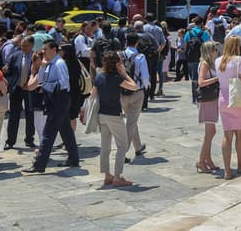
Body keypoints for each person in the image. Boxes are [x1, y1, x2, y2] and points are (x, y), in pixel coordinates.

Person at [23, 41, 81, 173]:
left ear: (54, 50)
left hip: (59, 99)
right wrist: (42, 67)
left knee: (48, 133)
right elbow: (42, 79)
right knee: (66, 130)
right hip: (54, 99)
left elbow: (63, 84)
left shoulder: (59, 64)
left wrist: (46, 87)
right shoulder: (49, 64)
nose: (43, 51)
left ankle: (39, 164)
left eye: (45, 49)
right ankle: (73, 158)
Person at [92, 51, 139, 187]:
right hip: (114, 115)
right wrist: (124, 73)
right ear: (117, 64)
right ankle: (117, 176)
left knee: (105, 146)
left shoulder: (99, 77)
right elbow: (134, 86)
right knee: (122, 145)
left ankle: (107, 175)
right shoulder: (117, 78)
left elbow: (92, 94)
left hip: (102, 115)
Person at [215, 36, 241, 180]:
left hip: (223, 100)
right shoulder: (239, 60)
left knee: (227, 135)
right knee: (240, 134)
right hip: (237, 100)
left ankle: (227, 170)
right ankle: (240, 164)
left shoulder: (218, 61)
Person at [121, 33, 150, 161]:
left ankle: (137, 147)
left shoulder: (120, 55)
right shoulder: (140, 56)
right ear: (137, 42)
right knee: (131, 121)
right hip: (136, 92)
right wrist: (146, 87)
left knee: (132, 119)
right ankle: (122, 152)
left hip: (122, 91)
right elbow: (145, 76)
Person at [4, 35, 36, 150]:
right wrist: (6, 69)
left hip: (30, 89)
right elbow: (9, 71)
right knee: (13, 115)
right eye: (22, 46)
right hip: (16, 89)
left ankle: (29, 139)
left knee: (30, 114)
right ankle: (10, 141)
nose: (23, 48)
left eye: (26, 46)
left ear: (32, 45)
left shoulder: (36, 57)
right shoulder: (15, 55)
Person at [195, 41, 220, 173]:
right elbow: (201, 82)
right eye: (214, 49)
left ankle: (208, 159)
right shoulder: (205, 64)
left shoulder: (210, 63)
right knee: (210, 132)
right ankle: (201, 161)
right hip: (207, 100)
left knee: (211, 131)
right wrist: (217, 79)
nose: (216, 51)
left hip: (211, 99)